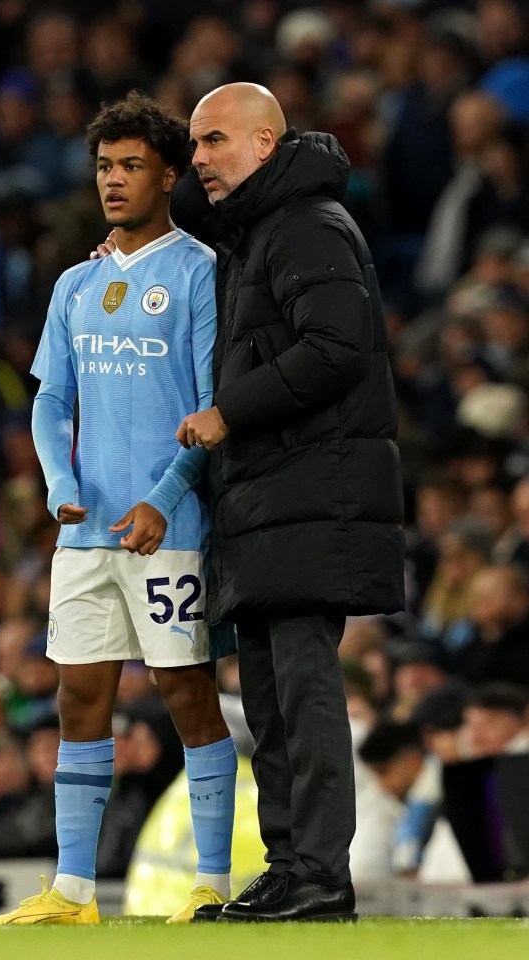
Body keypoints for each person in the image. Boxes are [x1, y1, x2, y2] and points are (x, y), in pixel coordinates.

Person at [0, 91, 237, 926]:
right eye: (103, 167)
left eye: (131, 166)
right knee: (77, 699)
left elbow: (210, 409)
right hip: (86, 532)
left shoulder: (200, 273)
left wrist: (164, 499)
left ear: (169, 174)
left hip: (172, 532)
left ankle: (211, 882)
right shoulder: (75, 282)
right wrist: (59, 484)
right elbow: (52, 401)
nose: (114, 181)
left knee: (186, 694)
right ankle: (75, 891)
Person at [176, 82, 404, 922]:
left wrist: (229, 411)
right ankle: (290, 866)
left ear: (266, 145)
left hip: (314, 493)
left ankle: (320, 874)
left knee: (303, 693)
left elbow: (338, 349)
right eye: (194, 145)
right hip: (271, 500)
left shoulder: (307, 225)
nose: (197, 159)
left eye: (214, 141)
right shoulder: (256, 233)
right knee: (270, 700)